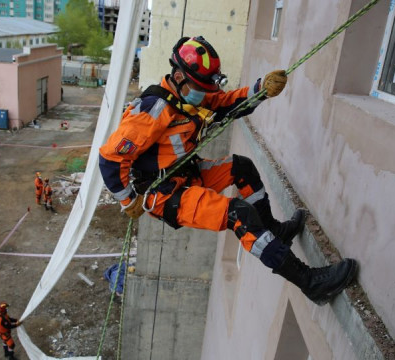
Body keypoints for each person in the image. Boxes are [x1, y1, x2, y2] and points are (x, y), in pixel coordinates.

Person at [99, 36, 357, 306]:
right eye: (200, 87)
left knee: (241, 167)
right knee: (239, 214)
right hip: (164, 197)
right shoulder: (153, 110)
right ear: (178, 76)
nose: (205, 93)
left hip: (186, 175)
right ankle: (310, 283)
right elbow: (110, 159)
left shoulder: (189, 97)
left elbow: (227, 103)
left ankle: (274, 231)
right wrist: (128, 200)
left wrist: (261, 90)